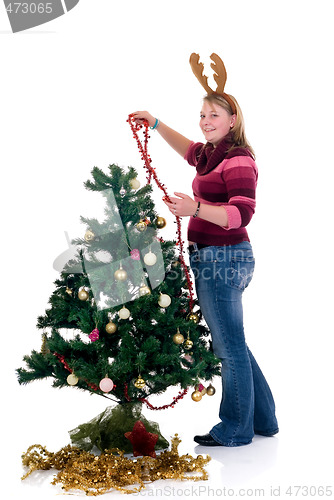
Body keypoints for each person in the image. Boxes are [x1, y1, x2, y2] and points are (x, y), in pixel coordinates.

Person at [131, 56, 278, 447]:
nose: (205, 120)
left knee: (227, 347)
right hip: (212, 258)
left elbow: (241, 214)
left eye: (214, 114)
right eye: (201, 114)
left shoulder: (238, 159)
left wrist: (194, 209)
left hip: (224, 259)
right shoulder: (210, 153)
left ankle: (235, 429)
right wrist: (157, 124)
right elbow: (188, 148)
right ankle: (264, 419)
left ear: (232, 119)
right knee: (233, 341)